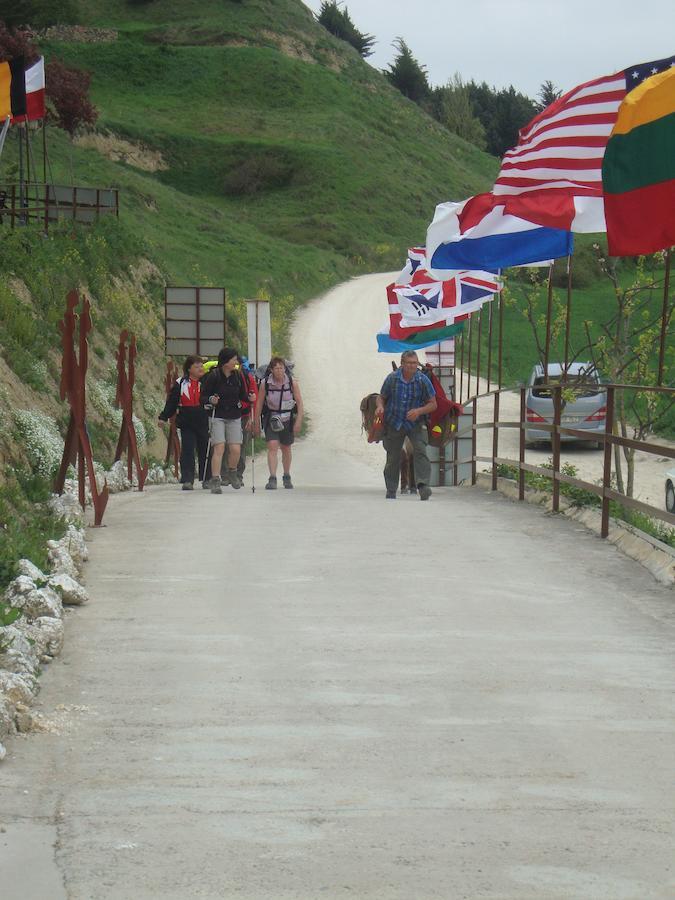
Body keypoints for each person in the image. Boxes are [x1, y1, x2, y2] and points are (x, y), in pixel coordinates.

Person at [375, 350, 437, 500]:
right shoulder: (392, 379)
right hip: (394, 422)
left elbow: (433, 404)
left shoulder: (423, 380)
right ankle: (391, 489)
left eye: (414, 363)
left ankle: (423, 486)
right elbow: (381, 397)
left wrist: (419, 411)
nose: (412, 366)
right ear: (402, 364)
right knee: (393, 456)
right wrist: (380, 407)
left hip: (415, 424)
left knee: (420, 450)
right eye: (409, 363)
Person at [200, 347, 253, 494]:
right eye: (234, 359)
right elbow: (203, 396)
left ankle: (232, 472)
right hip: (217, 415)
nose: (236, 362)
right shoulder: (214, 376)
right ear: (226, 361)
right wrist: (211, 399)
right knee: (219, 448)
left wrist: (249, 398)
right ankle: (215, 479)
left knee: (235, 449)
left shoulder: (238, 376)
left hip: (234, 416)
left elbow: (243, 395)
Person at [158, 355, 208, 491]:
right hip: (186, 422)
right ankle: (187, 479)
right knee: (187, 450)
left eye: (201, 366)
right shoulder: (180, 383)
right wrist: (163, 417)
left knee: (205, 449)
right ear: (189, 369)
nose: (200, 369)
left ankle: (206, 478)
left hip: (203, 420)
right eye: (196, 366)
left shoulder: (207, 382)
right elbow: (172, 402)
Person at [254, 356, 304, 490]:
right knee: (272, 446)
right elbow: (259, 404)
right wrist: (256, 423)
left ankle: (286, 475)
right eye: (276, 368)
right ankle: (272, 477)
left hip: (287, 419)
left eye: (281, 368)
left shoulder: (292, 382)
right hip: (272, 418)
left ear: (285, 369)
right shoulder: (265, 383)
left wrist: (298, 421)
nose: (279, 371)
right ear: (271, 370)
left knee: (286, 448)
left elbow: (299, 403)